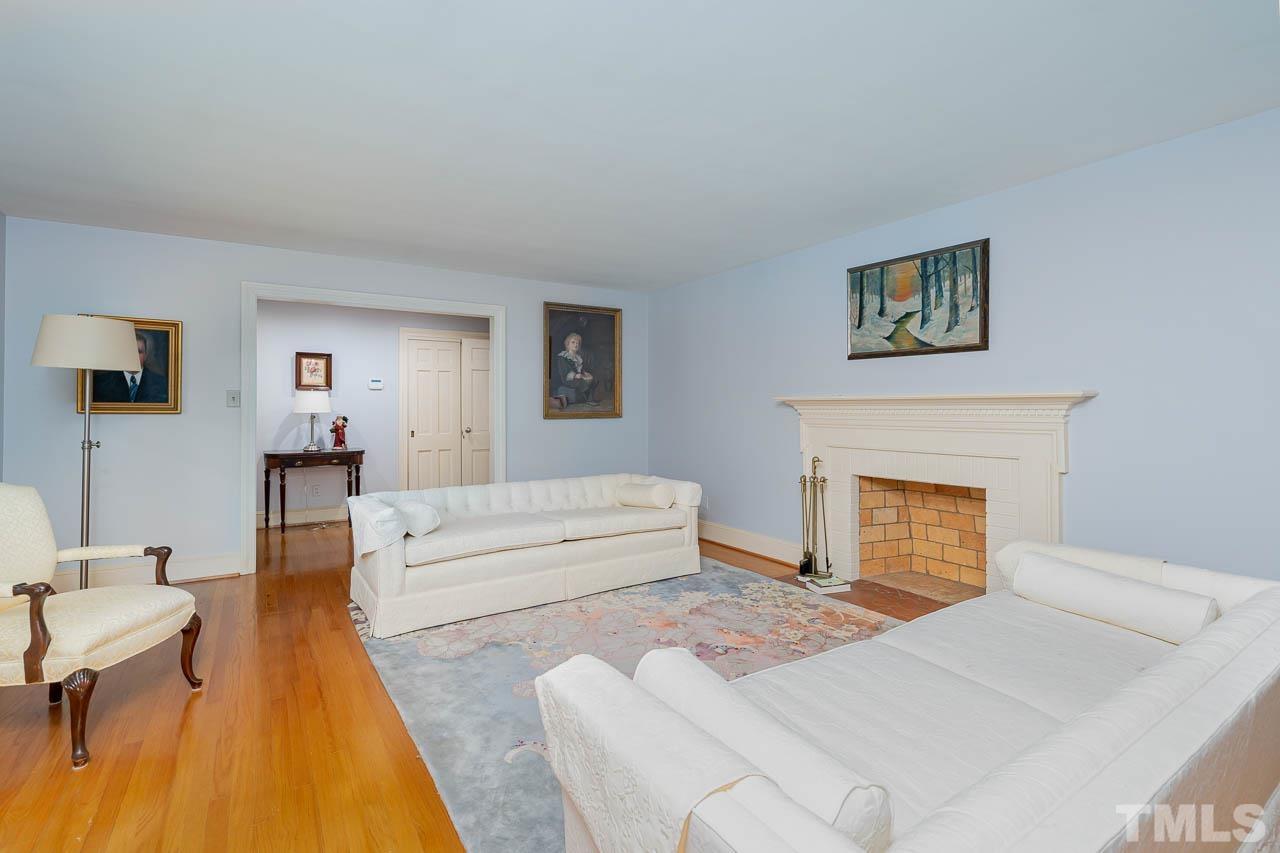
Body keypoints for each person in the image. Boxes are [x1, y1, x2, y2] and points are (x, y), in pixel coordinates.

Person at [92, 332, 168, 403]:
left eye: (139, 351)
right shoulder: (102, 383)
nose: (134, 356)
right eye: (130, 351)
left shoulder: (161, 383)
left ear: (145, 355)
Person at [553, 332, 599, 407]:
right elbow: (564, 372)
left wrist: (585, 373)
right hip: (568, 379)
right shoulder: (563, 357)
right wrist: (575, 375)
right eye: (573, 342)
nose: (576, 345)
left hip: (578, 377)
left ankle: (589, 398)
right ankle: (588, 399)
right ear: (568, 344)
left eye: (577, 343)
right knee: (585, 381)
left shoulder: (578, 357)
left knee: (593, 379)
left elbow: (580, 369)